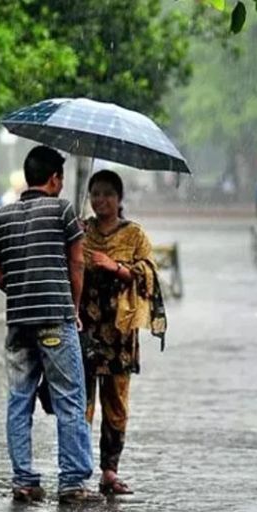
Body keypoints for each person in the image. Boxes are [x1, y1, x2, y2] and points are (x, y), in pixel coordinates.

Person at [0, 145, 99, 505]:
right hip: (55, 320)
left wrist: (18, 290)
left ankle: (24, 481)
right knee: (69, 399)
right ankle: (72, 483)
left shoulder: (0, 216)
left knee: (19, 400)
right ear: (54, 179)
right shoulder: (63, 211)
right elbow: (77, 265)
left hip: (18, 322)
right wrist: (73, 308)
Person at [79, 169, 167, 495]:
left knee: (115, 403)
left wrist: (115, 266)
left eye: (107, 194)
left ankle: (109, 471)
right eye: (95, 194)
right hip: (85, 330)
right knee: (82, 403)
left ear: (119, 199)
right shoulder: (80, 230)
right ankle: (77, 471)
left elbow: (150, 277)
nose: (101, 200)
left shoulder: (134, 235)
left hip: (120, 333)